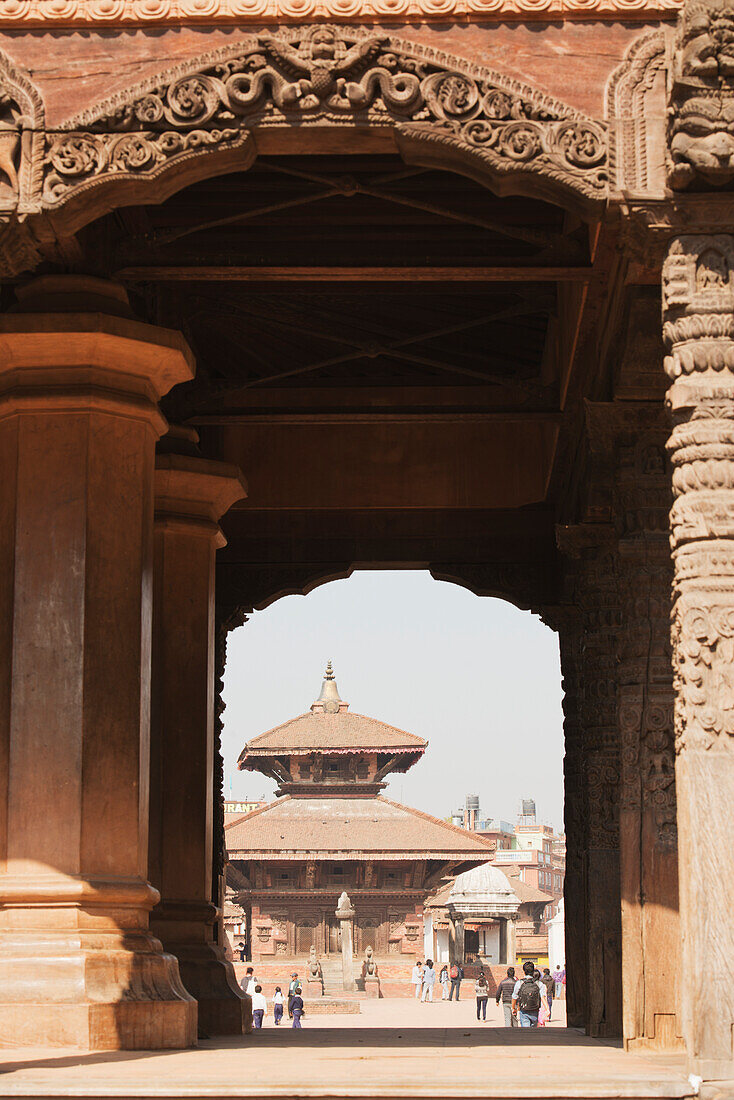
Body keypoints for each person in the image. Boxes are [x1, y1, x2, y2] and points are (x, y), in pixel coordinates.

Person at [511, 960, 547, 1028]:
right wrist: (547, 1009)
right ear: (533, 971)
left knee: (525, 1030)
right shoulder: (539, 984)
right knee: (533, 1030)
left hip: (524, 1010)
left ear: (524, 971)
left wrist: (513, 1008)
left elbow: (514, 997)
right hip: (535, 1010)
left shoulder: (520, 983)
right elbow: (542, 997)